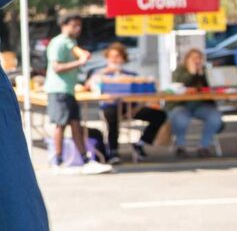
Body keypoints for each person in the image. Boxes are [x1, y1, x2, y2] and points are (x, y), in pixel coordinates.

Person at [44, 14, 111, 174]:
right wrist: (79, 62)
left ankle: (86, 160)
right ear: (64, 25)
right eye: (74, 25)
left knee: (75, 124)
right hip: (58, 89)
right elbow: (56, 67)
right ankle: (57, 162)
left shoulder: (71, 42)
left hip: (69, 89)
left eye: (79, 26)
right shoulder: (58, 43)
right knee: (61, 125)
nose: (77, 29)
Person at [87, 42, 167, 164]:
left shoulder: (131, 76)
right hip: (110, 107)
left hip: (131, 108)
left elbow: (144, 95)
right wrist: (105, 72)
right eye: (111, 56)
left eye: (117, 56)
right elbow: (87, 86)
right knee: (112, 115)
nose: (114, 59)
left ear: (123, 58)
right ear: (107, 58)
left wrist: (133, 110)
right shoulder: (100, 74)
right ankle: (113, 152)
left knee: (159, 115)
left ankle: (140, 144)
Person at [168, 48, 223, 158]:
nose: (197, 61)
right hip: (182, 105)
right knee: (180, 119)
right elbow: (179, 85)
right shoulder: (180, 71)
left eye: (199, 58)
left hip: (201, 106)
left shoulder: (204, 71)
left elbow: (213, 87)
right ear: (187, 59)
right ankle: (180, 146)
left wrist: (203, 75)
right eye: (194, 58)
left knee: (215, 117)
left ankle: (204, 146)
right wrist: (192, 73)